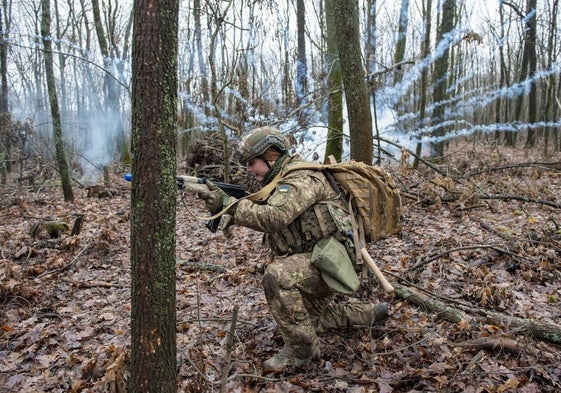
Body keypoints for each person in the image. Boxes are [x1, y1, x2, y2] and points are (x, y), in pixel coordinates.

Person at [197, 126, 388, 371]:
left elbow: (274, 217)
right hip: (322, 259)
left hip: (333, 262)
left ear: (271, 155)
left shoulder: (301, 178)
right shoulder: (280, 178)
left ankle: (301, 353)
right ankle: (367, 314)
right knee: (306, 320)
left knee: (278, 276)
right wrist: (229, 212)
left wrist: (230, 205)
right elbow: (273, 219)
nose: (248, 169)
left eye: (252, 162)